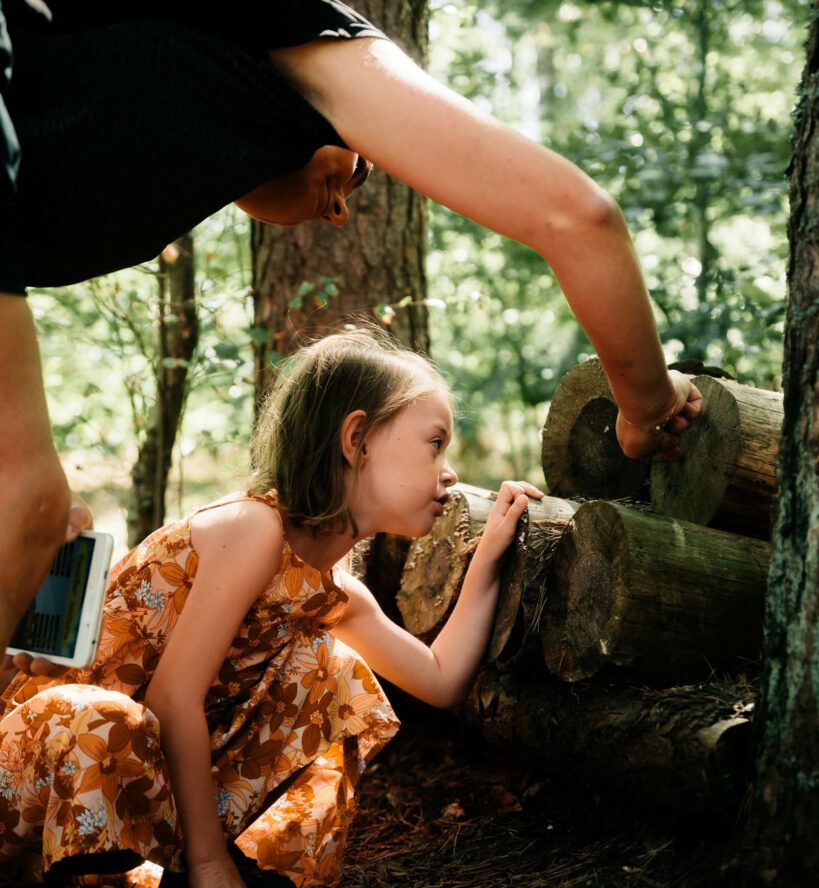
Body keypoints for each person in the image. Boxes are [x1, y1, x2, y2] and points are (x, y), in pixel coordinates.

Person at [0, 0, 702, 664]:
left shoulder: (160, 125)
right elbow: (577, 217)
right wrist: (646, 407)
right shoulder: (306, 33)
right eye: (360, 170)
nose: (340, 213)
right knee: (30, 506)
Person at [0, 329, 545, 888]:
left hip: (126, 779)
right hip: (30, 773)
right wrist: (211, 865)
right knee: (99, 713)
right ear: (357, 440)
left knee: (328, 666)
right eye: (434, 444)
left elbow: (442, 679)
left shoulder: (333, 592)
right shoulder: (252, 526)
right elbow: (175, 697)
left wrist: (490, 558)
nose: (449, 473)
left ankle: (184, 876)